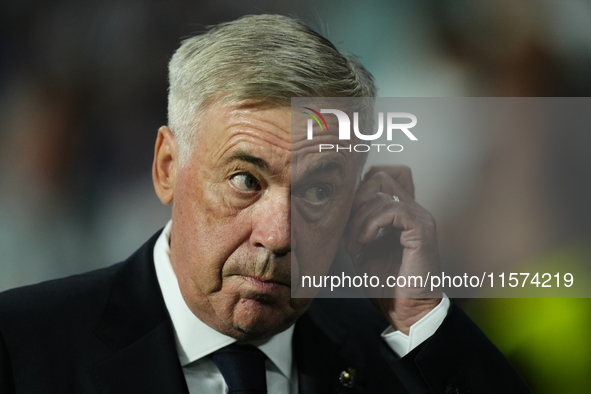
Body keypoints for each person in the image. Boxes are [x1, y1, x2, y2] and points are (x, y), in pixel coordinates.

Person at [0, 14, 530, 393]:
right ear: (167, 168)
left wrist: (420, 315)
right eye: (245, 181)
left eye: (319, 191)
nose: (278, 235)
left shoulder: (405, 359)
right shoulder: (22, 348)